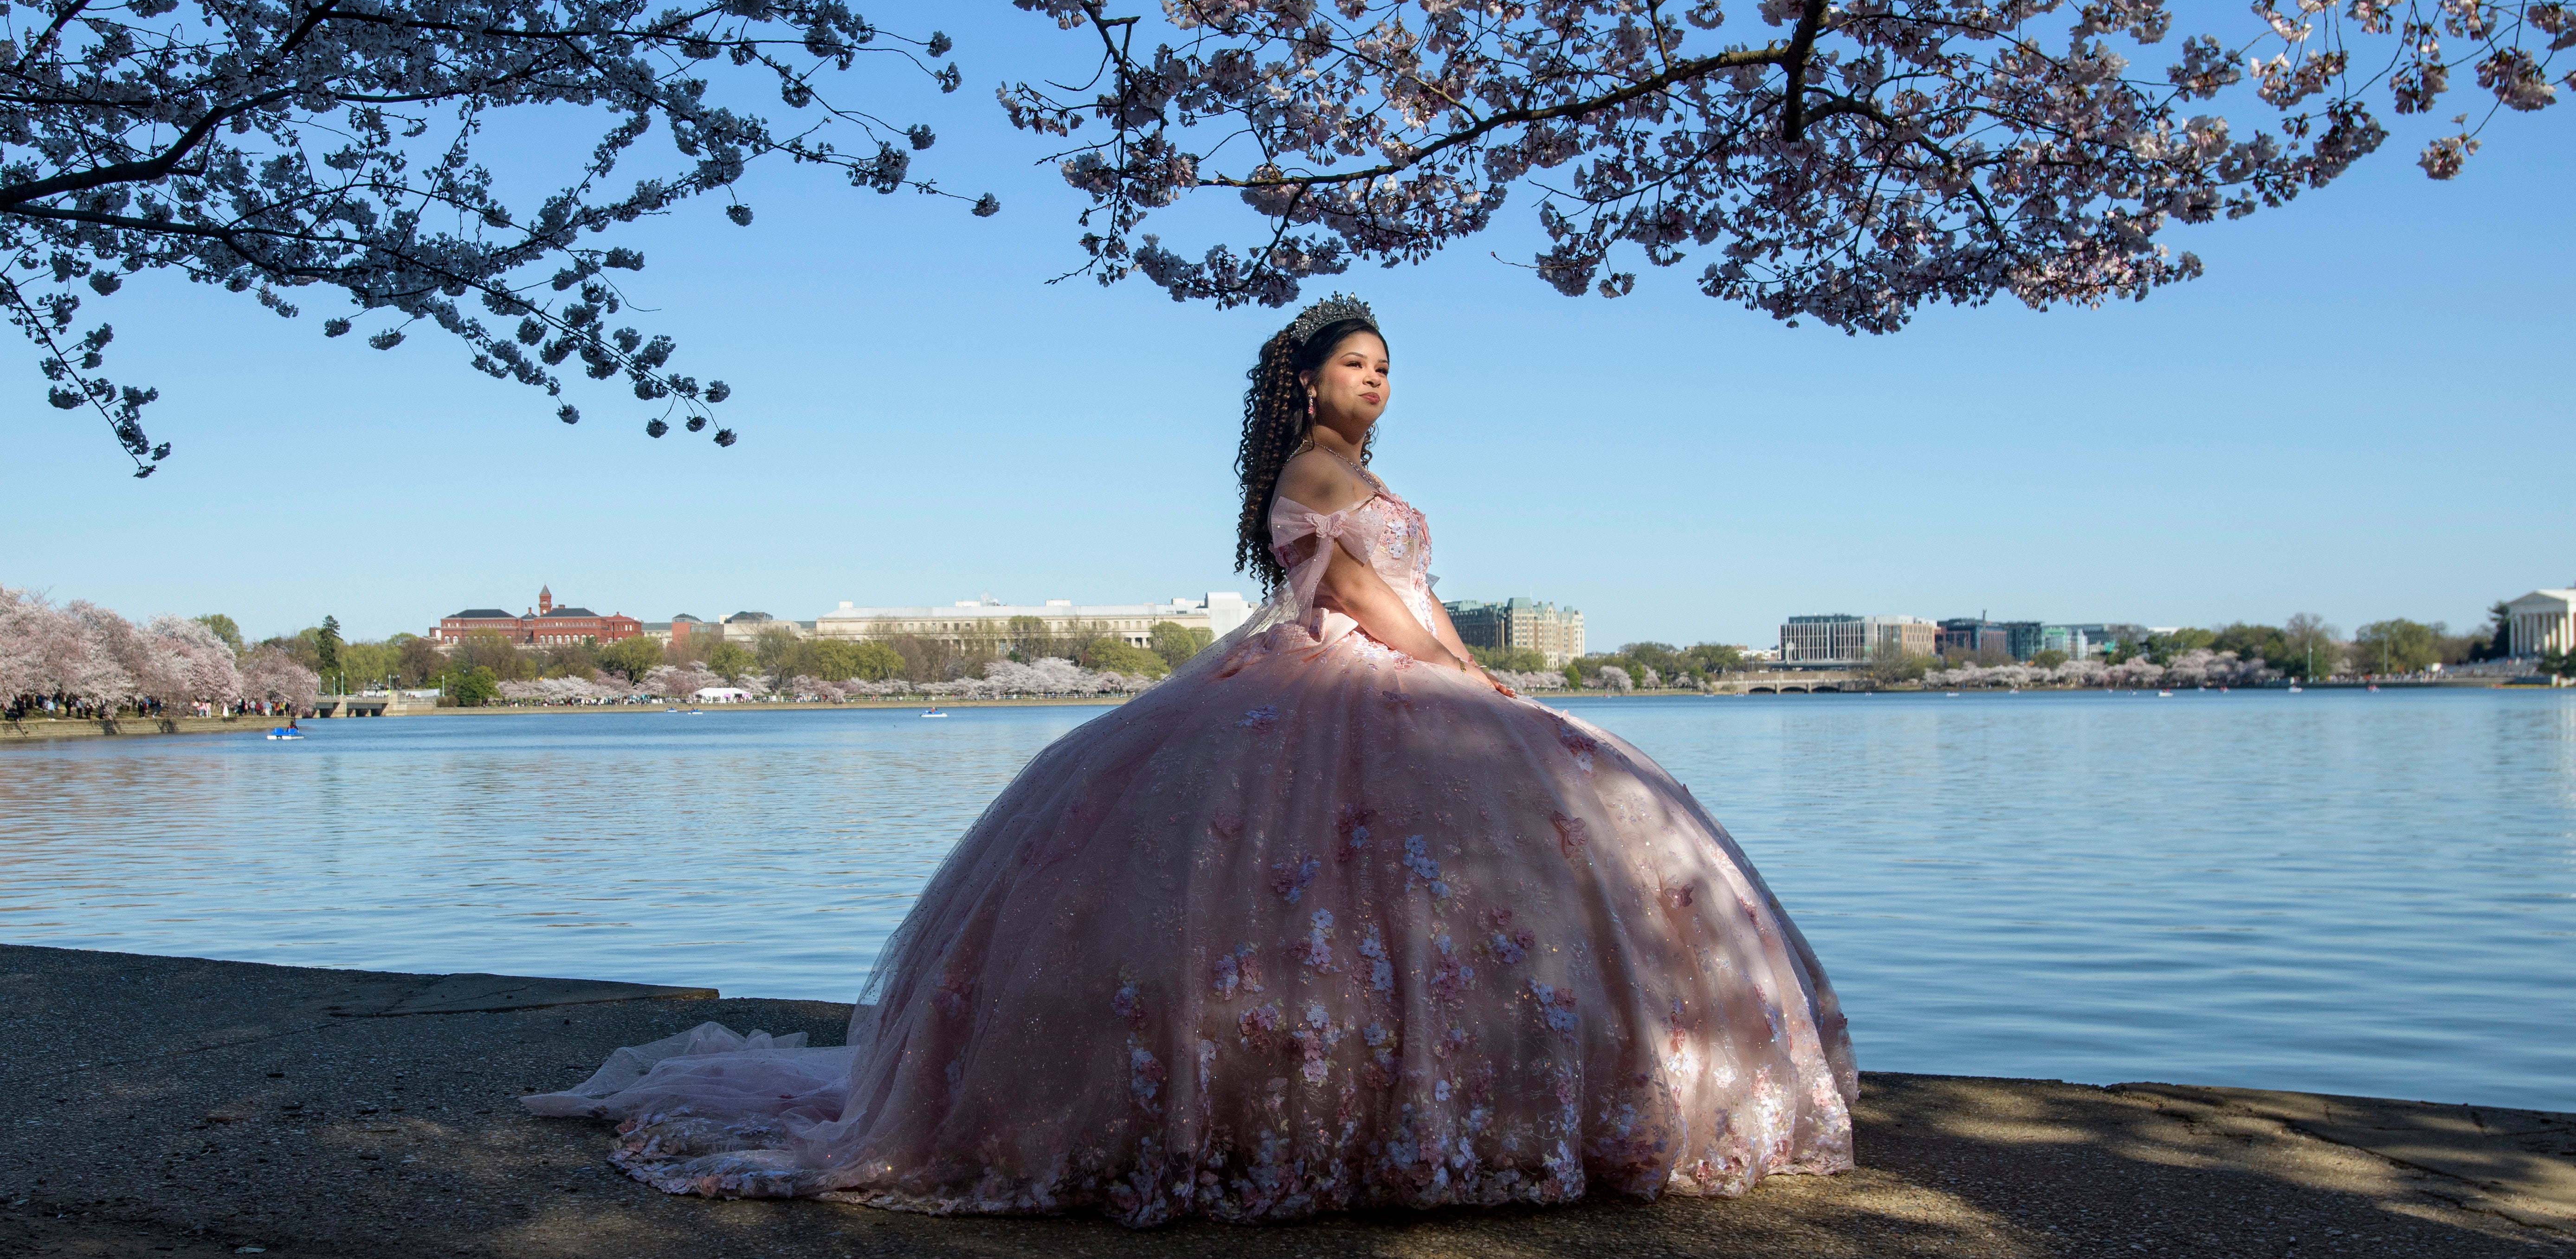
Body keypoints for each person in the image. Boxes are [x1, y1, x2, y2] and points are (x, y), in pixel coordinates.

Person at [527, 295, 1854, 1222]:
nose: (1377, 382)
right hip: (1344, 674)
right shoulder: (1319, 476)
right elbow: (1379, 604)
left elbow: (1422, 597)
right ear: (1306, 382)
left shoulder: (1356, 474)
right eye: (1356, 366)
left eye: (1388, 367)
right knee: (1327, 888)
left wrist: (1475, 668)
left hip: (1398, 672)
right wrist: (1449, 667)